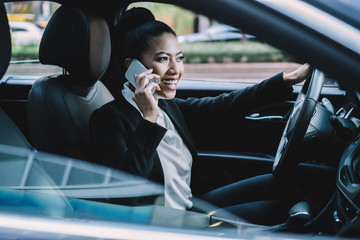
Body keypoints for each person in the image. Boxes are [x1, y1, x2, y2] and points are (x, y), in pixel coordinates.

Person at [89, 7, 313, 225]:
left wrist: (287, 80)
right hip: (165, 224)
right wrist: (148, 119)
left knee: (279, 184)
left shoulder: (167, 106)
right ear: (133, 67)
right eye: (163, 59)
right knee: (277, 211)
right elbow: (124, 194)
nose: (176, 70)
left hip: (190, 206)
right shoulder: (109, 119)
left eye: (179, 58)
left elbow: (223, 106)